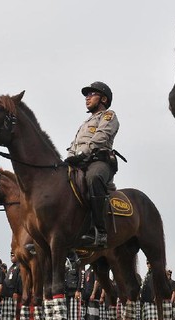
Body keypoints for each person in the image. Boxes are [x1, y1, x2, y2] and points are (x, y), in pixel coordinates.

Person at [65, 81, 120, 249]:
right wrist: (70, 156)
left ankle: (99, 232)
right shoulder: (84, 123)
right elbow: (74, 144)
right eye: (86, 95)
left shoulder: (108, 116)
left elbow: (101, 137)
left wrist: (83, 153)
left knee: (93, 178)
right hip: (79, 162)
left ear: (103, 98)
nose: (87, 98)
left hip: (99, 161)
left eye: (91, 94)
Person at [0, 252, 21, 320]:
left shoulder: (20, 266)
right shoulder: (11, 267)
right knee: (6, 312)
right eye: (11, 255)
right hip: (7, 293)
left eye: (14, 255)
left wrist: (16, 291)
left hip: (13, 292)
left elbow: (19, 280)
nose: (12, 256)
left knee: (12, 312)